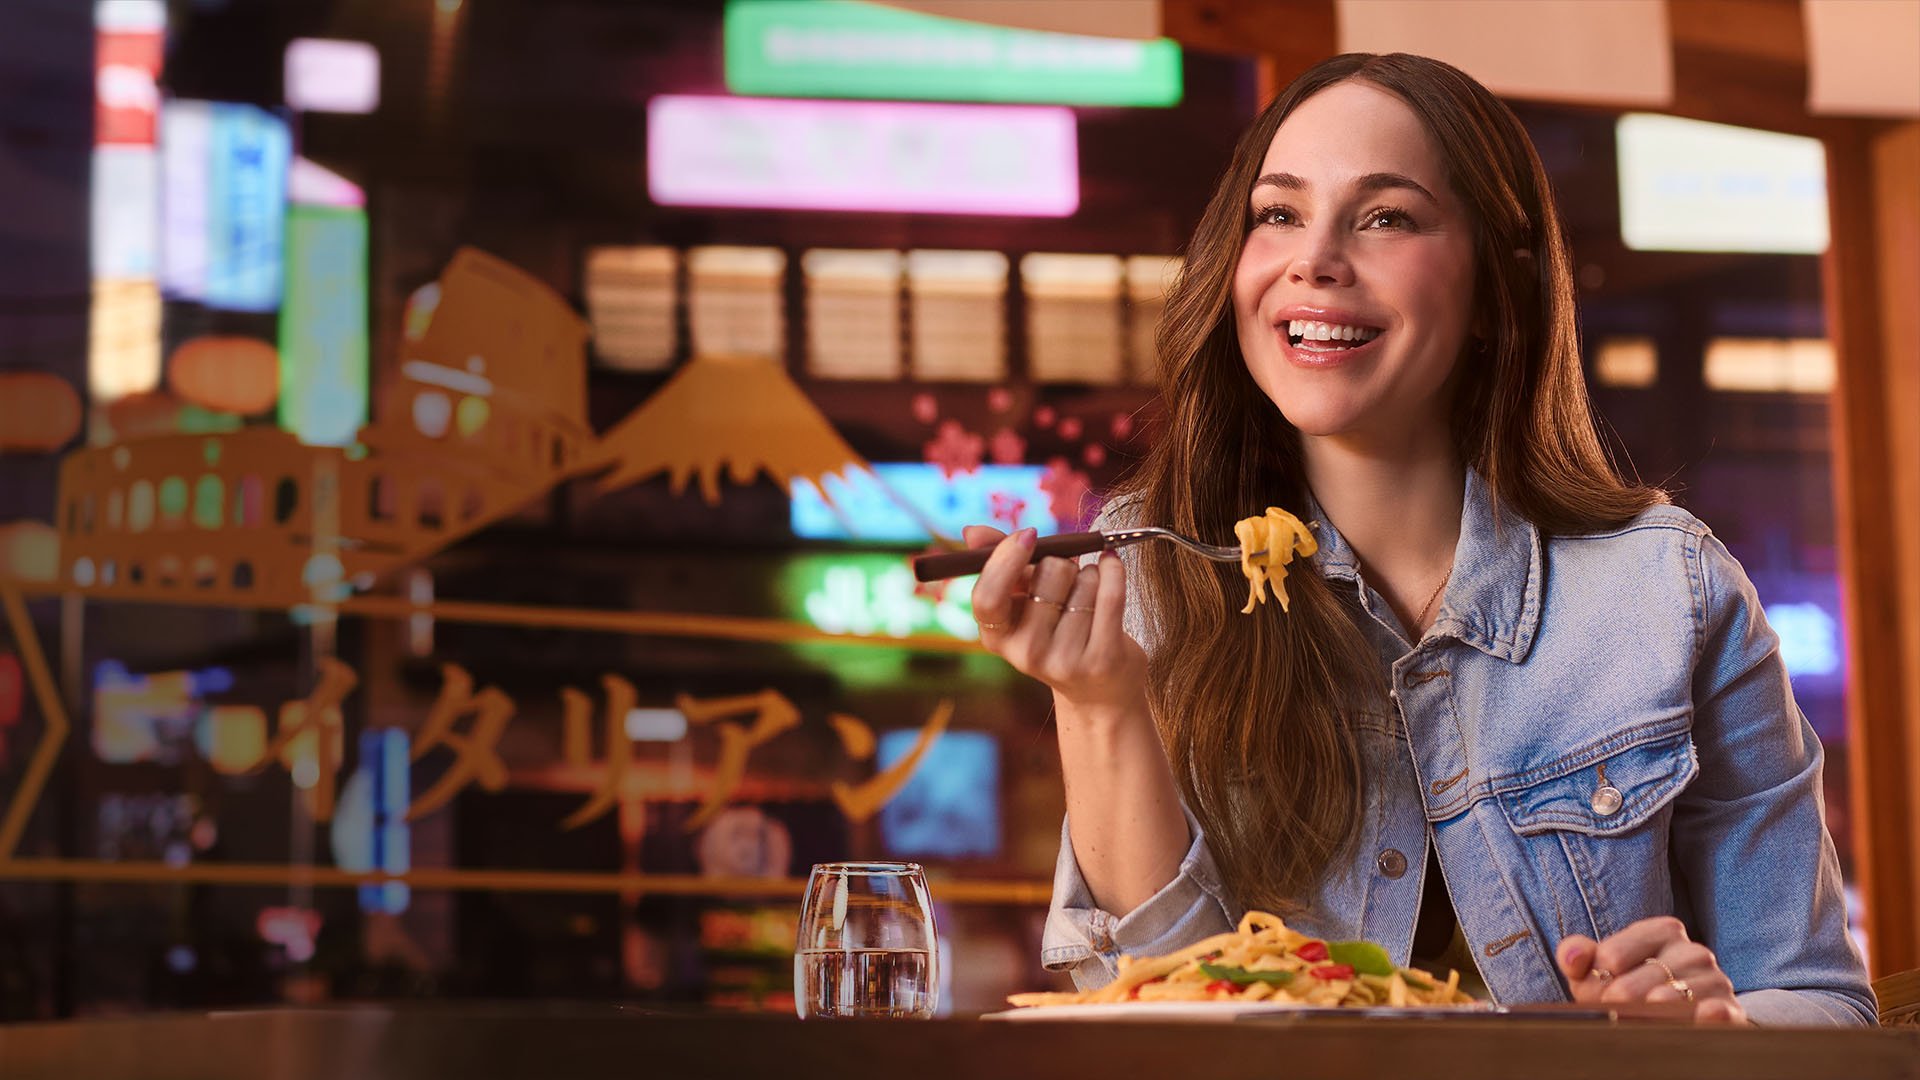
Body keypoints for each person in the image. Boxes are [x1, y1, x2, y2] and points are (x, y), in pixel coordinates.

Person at [964, 52, 1875, 1026]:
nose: (1313, 257)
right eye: (1278, 214)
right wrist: (1101, 705)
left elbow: (1823, 1002)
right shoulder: (1146, 566)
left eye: (1386, 216)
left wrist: (1714, 1032)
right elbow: (1143, 1016)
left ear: (1495, 291)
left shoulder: (1669, 587)